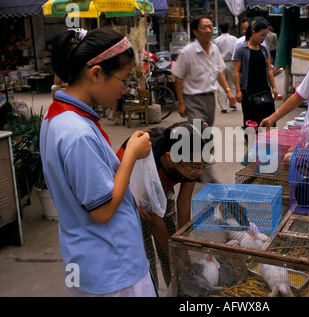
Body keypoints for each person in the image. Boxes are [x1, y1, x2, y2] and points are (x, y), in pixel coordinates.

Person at [40, 27, 157, 297]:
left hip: (86, 258)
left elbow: (86, 186)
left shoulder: (57, 117)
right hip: (113, 269)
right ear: (96, 74)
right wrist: (130, 155)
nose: (125, 88)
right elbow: (102, 211)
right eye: (124, 78)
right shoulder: (78, 133)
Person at [116, 120, 214, 288]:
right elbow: (154, 221)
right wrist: (175, 258)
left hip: (160, 187)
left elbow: (183, 203)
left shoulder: (190, 159)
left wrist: (183, 252)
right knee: (146, 253)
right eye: (195, 167)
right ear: (171, 157)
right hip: (131, 195)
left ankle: (177, 288)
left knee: (173, 238)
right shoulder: (148, 166)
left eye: (205, 165)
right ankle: (151, 288)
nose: (200, 172)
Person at [172, 15, 236, 127]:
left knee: (206, 132)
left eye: (210, 27)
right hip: (193, 100)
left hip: (210, 99)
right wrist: (181, 103)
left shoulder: (215, 50)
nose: (208, 30)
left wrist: (229, 92)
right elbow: (178, 78)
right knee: (199, 131)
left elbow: (219, 73)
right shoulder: (187, 52)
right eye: (204, 27)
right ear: (195, 32)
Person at [233, 17, 279, 129]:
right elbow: (236, 71)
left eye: (265, 36)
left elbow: (269, 69)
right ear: (253, 32)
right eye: (261, 35)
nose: (264, 38)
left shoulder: (263, 49)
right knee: (251, 123)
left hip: (264, 90)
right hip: (248, 91)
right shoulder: (241, 49)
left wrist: (274, 87)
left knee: (269, 122)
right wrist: (238, 91)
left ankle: (268, 145)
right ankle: (251, 145)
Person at [213, 21, 237, 113]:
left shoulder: (217, 40)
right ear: (229, 29)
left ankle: (223, 107)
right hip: (231, 62)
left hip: (220, 63)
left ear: (219, 29)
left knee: (220, 85)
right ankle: (232, 102)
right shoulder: (234, 39)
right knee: (232, 83)